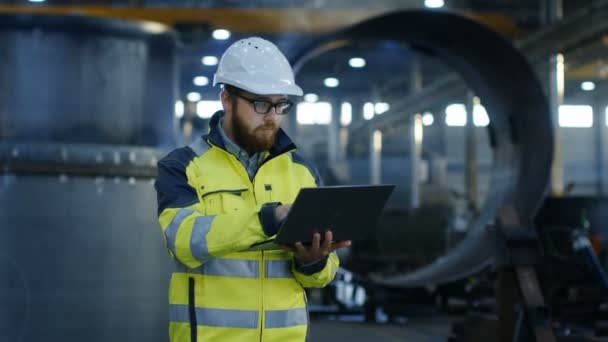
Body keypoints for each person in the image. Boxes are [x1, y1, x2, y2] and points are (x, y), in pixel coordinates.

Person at [154, 37, 351, 342]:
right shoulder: (183, 166)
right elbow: (185, 242)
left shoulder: (301, 171)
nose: (272, 116)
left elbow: (325, 275)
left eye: (281, 104)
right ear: (226, 100)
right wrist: (268, 219)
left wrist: (313, 260)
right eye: (260, 104)